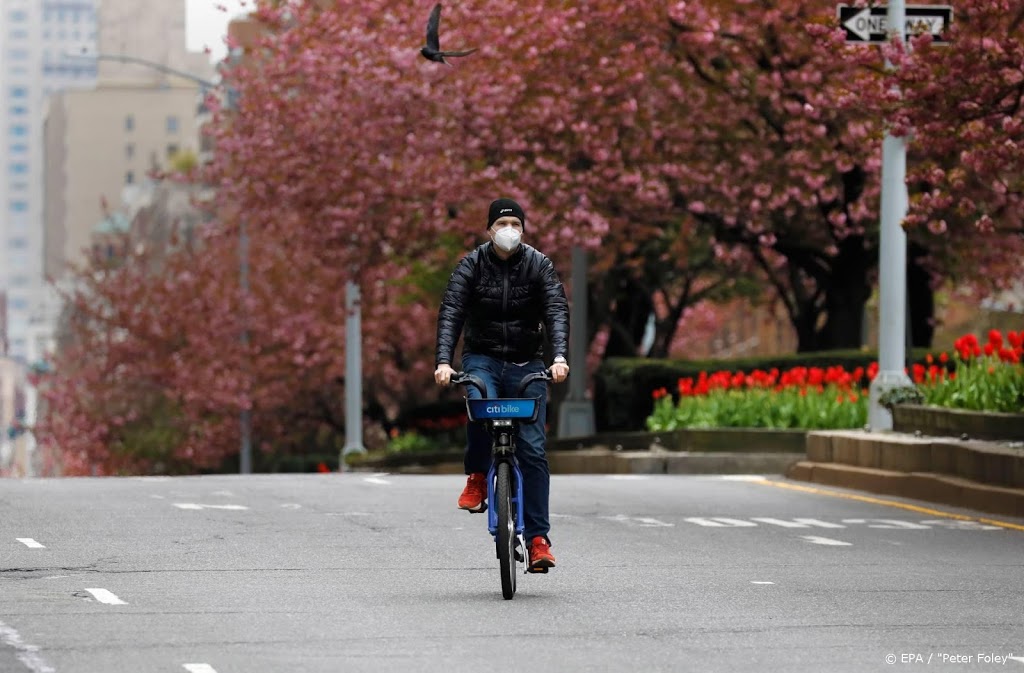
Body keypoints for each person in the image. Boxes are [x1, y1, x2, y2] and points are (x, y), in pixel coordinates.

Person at [434, 197, 569, 573]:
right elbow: (452, 312)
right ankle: (477, 477)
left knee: (534, 450)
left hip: (528, 363)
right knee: (478, 403)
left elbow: (556, 310)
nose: (509, 230)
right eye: (502, 223)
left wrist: (559, 358)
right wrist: (444, 362)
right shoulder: (471, 266)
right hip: (484, 358)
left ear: (523, 229)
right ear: (490, 229)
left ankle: (539, 538)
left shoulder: (539, 265)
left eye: (516, 223)